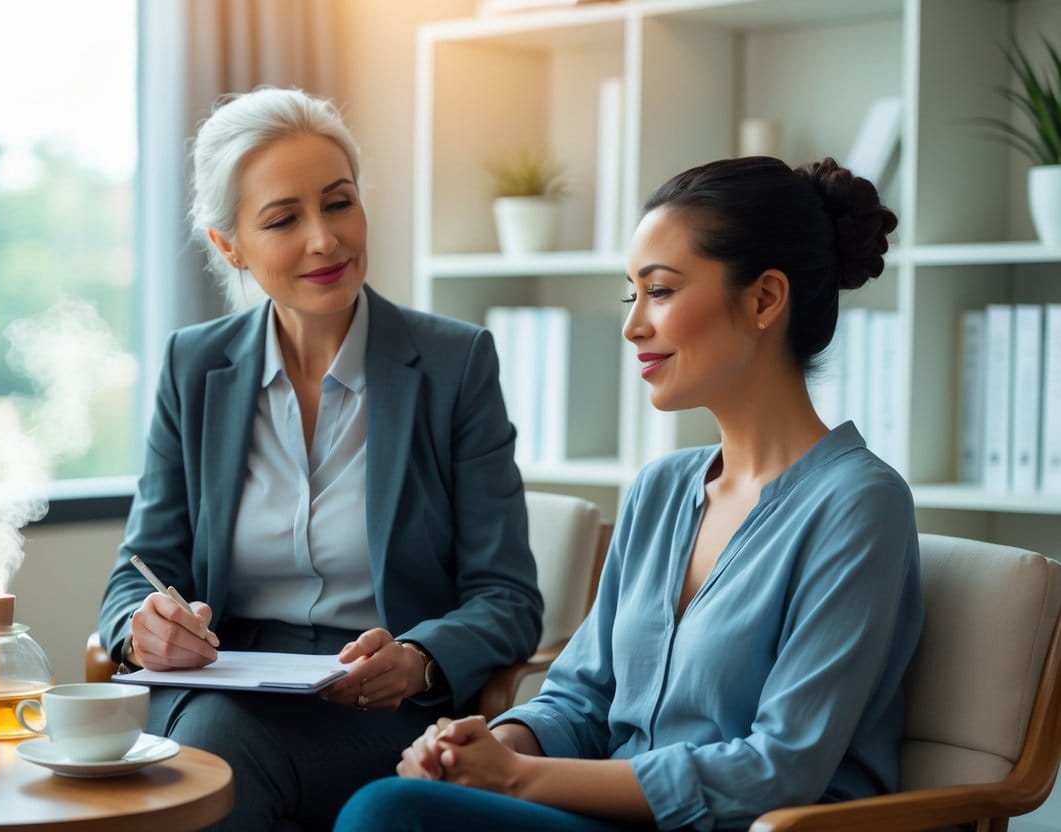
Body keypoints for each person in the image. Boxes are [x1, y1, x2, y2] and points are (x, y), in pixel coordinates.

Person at [334, 155, 924, 832]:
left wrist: (520, 778)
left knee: (388, 812)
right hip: (606, 818)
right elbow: (581, 699)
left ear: (764, 299)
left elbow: (777, 769)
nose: (633, 325)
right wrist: (490, 747)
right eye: (631, 294)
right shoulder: (661, 490)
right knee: (399, 801)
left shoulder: (859, 504)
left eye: (661, 291)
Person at [96, 86, 542, 832]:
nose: (324, 240)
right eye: (283, 219)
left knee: (208, 757)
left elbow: (507, 596)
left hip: (380, 710)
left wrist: (420, 655)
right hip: (220, 693)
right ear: (227, 244)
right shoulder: (192, 367)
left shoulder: (453, 363)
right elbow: (134, 573)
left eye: (339, 203)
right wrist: (140, 627)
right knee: (197, 742)